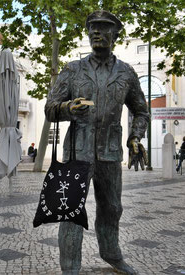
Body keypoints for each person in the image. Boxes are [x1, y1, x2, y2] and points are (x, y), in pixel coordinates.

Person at [45, 11, 149, 275]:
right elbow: (50, 109)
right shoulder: (72, 69)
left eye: (103, 28)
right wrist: (69, 108)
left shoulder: (126, 72)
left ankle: (111, 254)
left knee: (113, 208)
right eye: (92, 28)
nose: (96, 33)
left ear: (115, 35)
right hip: (76, 150)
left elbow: (141, 110)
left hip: (110, 151)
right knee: (71, 212)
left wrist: (135, 136)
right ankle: (70, 268)